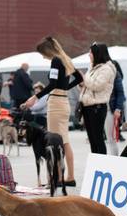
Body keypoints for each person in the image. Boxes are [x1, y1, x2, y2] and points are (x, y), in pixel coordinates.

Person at [23, 36, 82, 186]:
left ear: (48, 50)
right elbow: (79, 78)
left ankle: (58, 178)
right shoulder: (66, 59)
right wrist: (65, 88)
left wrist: (35, 97)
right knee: (65, 141)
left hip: (56, 103)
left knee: (55, 142)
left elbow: (53, 84)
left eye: (43, 53)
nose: (43, 57)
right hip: (64, 102)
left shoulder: (56, 60)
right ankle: (70, 177)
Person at [79, 43, 116, 155]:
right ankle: (94, 161)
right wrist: (81, 83)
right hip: (87, 106)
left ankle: (101, 162)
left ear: (97, 53)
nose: (89, 55)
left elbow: (97, 85)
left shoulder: (107, 69)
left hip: (97, 107)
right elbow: (88, 85)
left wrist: (84, 78)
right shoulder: (92, 67)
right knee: (92, 138)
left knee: (98, 138)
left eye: (90, 52)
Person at [106, 58, 126, 156]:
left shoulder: (116, 75)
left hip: (113, 107)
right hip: (106, 107)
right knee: (110, 136)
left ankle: (115, 158)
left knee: (112, 137)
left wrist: (118, 109)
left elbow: (120, 94)